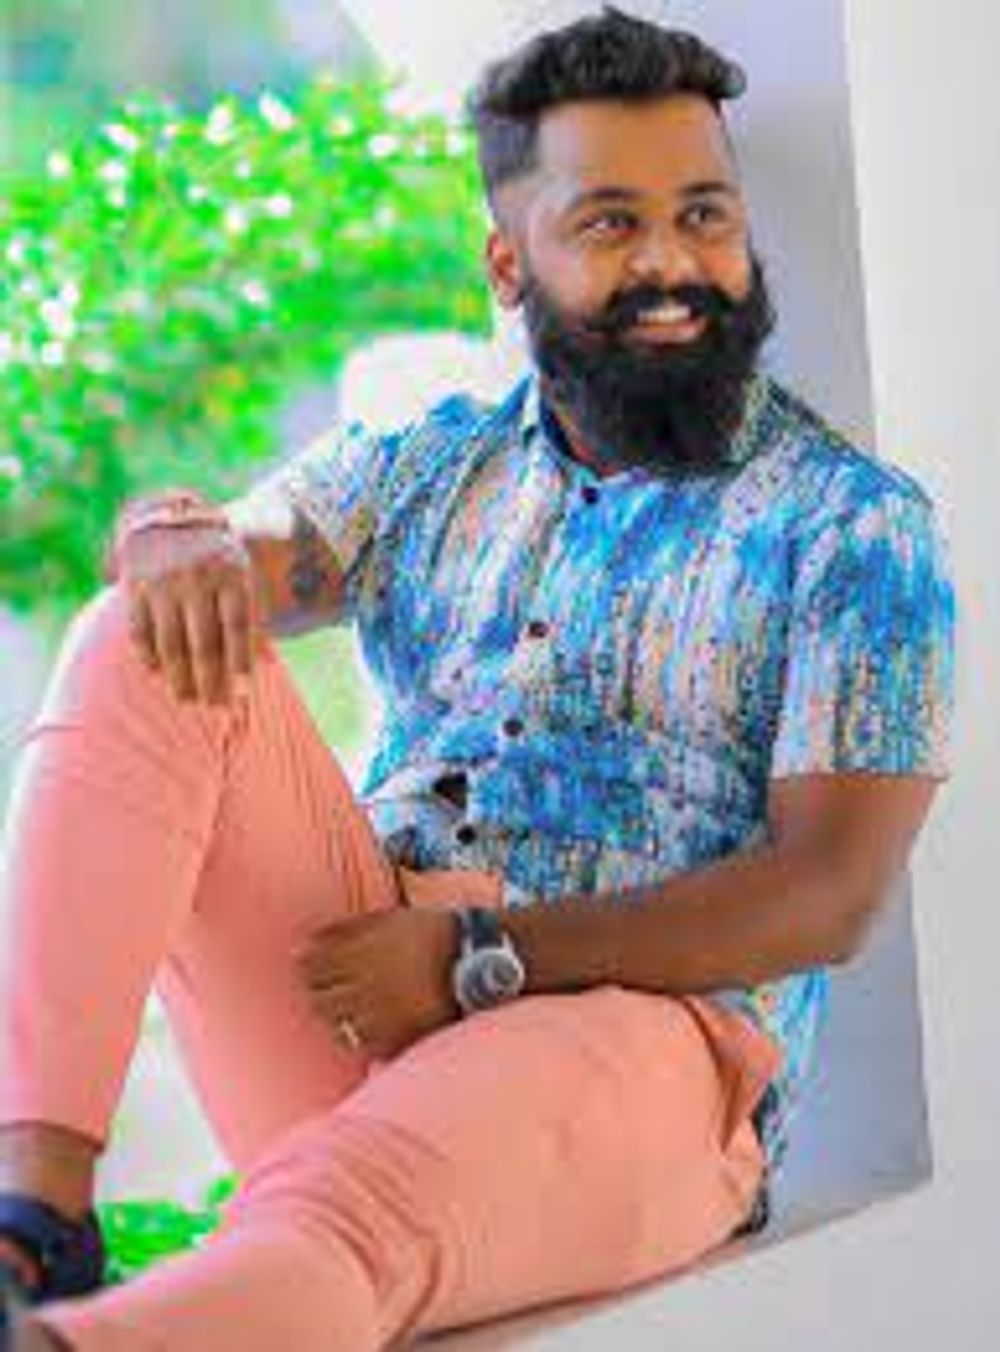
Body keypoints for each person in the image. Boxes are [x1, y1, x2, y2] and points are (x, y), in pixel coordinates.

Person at [0, 8, 954, 1351]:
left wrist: (477, 962)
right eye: (611, 223)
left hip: (640, 1058)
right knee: (145, 634)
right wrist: (172, 533)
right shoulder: (430, 466)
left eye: (705, 215)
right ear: (510, 263)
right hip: (357, 997)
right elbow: (223, 564)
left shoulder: (854, 527)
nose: (672, 262)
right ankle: (36, 1220)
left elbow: (827, 894)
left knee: (351, 1212)